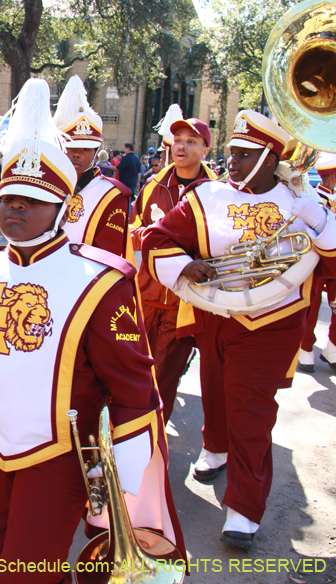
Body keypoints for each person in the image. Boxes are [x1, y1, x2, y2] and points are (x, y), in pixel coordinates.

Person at [0, 78, 183, 583]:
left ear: (63, 209)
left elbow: (132, 382)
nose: (16, 207)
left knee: (29, 570)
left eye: (32, 200)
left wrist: (130, 457)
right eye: (9, 197)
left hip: (62, 452)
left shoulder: (101, 280)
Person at [142, 110, 336, 548]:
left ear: (271, 160)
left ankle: (244, 507)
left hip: (273, 322)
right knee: (215, 390)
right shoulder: (207, 195)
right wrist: (183, 264)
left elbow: (332, 264)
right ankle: (215, 448)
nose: (233, 161)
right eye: (231, 152)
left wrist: (321, 223)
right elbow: (156, 238)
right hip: (215, 314)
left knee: (251, 411)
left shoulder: (301, 201)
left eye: (245, 154)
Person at [129, 117, 215, 424]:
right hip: (146, 295)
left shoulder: (217, 192)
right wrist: (153, 234)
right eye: (178, 140)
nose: (182, 146)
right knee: (133, 370)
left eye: (191, 141)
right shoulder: (153, 185)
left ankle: (154, 441)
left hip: (186, 303)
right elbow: (132, 230)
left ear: (206, 149)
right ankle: (130, 436)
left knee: (164, 377)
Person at [53, 75, 130, 258]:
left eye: (85, 149)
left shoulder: (112, 195)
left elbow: (108, 255)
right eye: (70, 147)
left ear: (96, 152)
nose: (76, 154)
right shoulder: (47, 186)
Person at [299, 152, 336, 372]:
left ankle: (332, 347)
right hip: (316, 260)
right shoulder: (314, 198)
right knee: (310, 305)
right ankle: (305, 349)